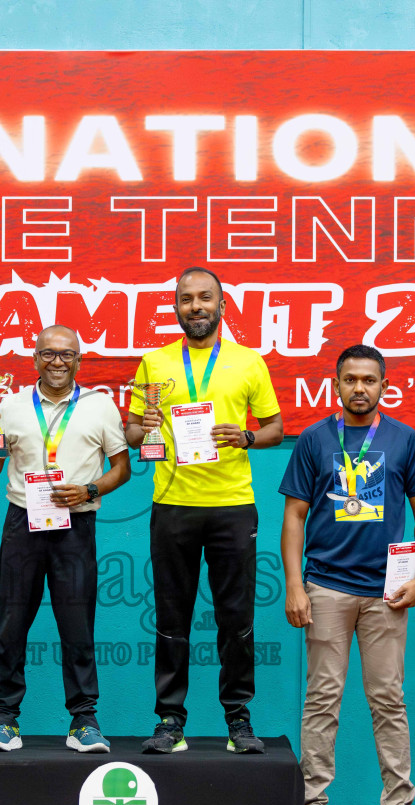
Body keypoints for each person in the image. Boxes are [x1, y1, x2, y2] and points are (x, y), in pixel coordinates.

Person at [279, 345, 415, 805]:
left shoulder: (403, 440)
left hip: (386, 594)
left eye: (369, 380)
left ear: (383, 386)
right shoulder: (313, 440)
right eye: (351, 380)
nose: (360, 388)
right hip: (325, 586)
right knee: (322, 699)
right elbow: (294, 517)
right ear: (337, 385)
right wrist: (294, 584)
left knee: (388, 699)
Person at [125, 267, 283, 754]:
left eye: (205, 298)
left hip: (233, 506)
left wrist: (248, 436)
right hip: (172, 505)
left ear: (222, 304)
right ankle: (170, 720)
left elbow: (276, 427)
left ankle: (238, 719)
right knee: (172, 616)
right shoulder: (153, 363)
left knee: (236, 618)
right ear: (175, 306)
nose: (196, 306)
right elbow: (132, 434)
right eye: (186, 299)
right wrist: (144, 425)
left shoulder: (249, 362)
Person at [0, 325, 131, 753]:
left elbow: (122, 468)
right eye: (48, 354)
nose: (57, 362)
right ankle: (3, 719)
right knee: (11, 621)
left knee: (77, 624)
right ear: (35, 358)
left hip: (75, 523)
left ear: (79, 359)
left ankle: (83, 721)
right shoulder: (8, 405)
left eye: (66, 354)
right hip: (22, 521)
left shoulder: (100, 407)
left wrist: (90, 490)